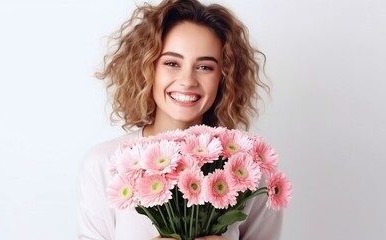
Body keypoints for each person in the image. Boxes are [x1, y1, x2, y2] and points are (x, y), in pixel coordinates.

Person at [77, 0, 282, 239]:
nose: (187, 80)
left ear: (224, 78)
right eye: (172, 63)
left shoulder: (251, 170)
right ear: (147, 67)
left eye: (205, 67)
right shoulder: (105, 164)